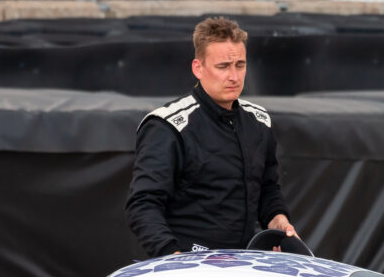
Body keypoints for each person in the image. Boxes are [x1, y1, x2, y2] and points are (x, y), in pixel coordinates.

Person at [125, 16, 294, 257]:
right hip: (190, 268)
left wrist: (278, 220)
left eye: (240, 65)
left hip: (245, 264)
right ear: (198, 68)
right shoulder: (168, 126)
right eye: (223, 66)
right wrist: (173, 257)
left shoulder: (259, 121)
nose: (234, 76)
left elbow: (268, 188)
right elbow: (142, 205)